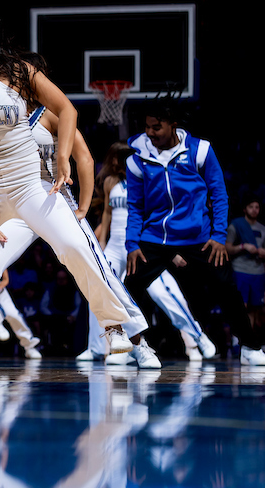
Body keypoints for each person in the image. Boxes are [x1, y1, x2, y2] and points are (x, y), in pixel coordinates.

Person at [0, 10, 134, 369]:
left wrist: (62, 157)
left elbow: (66, 108)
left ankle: (113, 326)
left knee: (75, 244)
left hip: (30, 185)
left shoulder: (17, 72)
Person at [123, 97, 265, 366]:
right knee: (129, 289)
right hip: (156, 237)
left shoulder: (200, 150)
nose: (150, 133)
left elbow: (219, 194)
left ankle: (249, 347)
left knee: (226, 287)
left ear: (173, 126)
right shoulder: (137, 159)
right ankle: (137, 347)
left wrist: (218, 236)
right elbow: (135, 206)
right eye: (147, 127)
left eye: (156, 127)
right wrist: (133, 244)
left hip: (198, 237)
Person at [80, 143, 216, 363]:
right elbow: (107, 214)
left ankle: (198, 336)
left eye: (118, 158)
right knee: (100, 293)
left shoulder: (148, 182)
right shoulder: (110, 182)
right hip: (115, 247)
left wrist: (169, 252)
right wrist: (101, 243)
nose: (114, 162)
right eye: (114, 158)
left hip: (141, 250)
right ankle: (101, 348)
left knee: (165, 293)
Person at [227, 197, 264, 332]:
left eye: (257, 207)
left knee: (255, 308)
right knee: (240, 307)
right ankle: (236, 342)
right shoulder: (236, 225)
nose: (254, 210)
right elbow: (227, 248)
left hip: (258, 272)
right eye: (251, 207)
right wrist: (243, 247)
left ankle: (249, 342)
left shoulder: (262, 228)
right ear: (244, 209)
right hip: (240, 270)